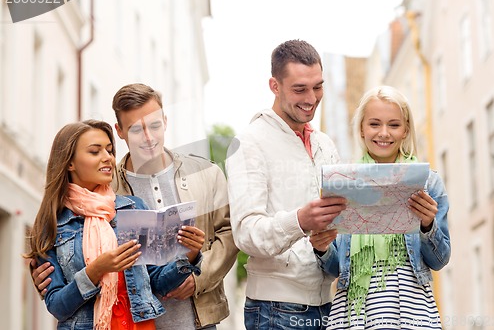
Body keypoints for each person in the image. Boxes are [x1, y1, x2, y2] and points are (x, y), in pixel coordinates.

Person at [32, 85, 238, 330]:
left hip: (192, 320)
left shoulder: (199, 176)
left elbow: (228, 233)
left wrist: (194, 263)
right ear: (120, 131)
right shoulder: (103, 193)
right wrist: (89, 273)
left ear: (165, 120)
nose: (149, 138)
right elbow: (56, 299)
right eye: (137, 129)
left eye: (154, 126)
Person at [25, 120, 204, 330]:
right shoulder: (53, 224)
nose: (107, 158)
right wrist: (96, 270)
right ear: (69, 162)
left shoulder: (134, 208)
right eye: (94, 151)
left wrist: (190, 254)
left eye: (109, 150)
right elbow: (57, 307)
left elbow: (156, 282)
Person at [225, 39, 347, 330]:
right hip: (275, 311)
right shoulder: (248, 143)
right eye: (299, 89)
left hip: (328, 305)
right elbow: (245, 232)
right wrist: (300, 221)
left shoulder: (325, 144)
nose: (311, 98)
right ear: (274, 86)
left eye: (318, 86)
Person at [311, 85, 451, 329]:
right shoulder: (343, 183)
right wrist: (322, 249)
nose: (384, 133)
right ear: (362, 129)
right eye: (374, 124)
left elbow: (440, 260)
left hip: (413, 311)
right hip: (354, 314)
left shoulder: (428, 183)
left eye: (394, 125)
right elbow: (335, 268)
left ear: (406, 130)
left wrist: (428, 225)